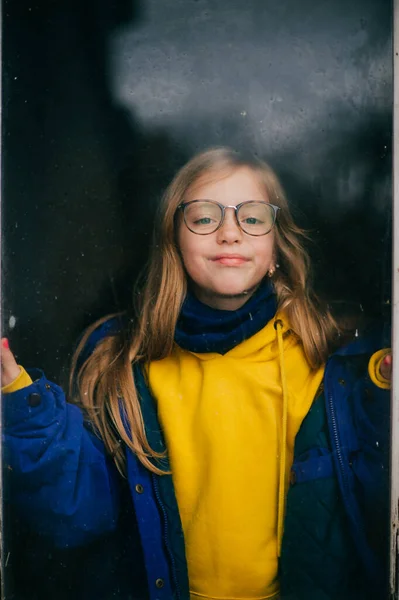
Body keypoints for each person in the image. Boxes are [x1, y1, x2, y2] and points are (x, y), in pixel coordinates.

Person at [1, 147, 392, 600]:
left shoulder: (330, 363)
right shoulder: (125, 366)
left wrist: (383, 387)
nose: (230, 233)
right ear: (174, 243)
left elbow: (374, 500)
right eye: (205, 218)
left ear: (276, 249)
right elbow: (78, 508)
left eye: (253, 217)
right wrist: (20, 402)